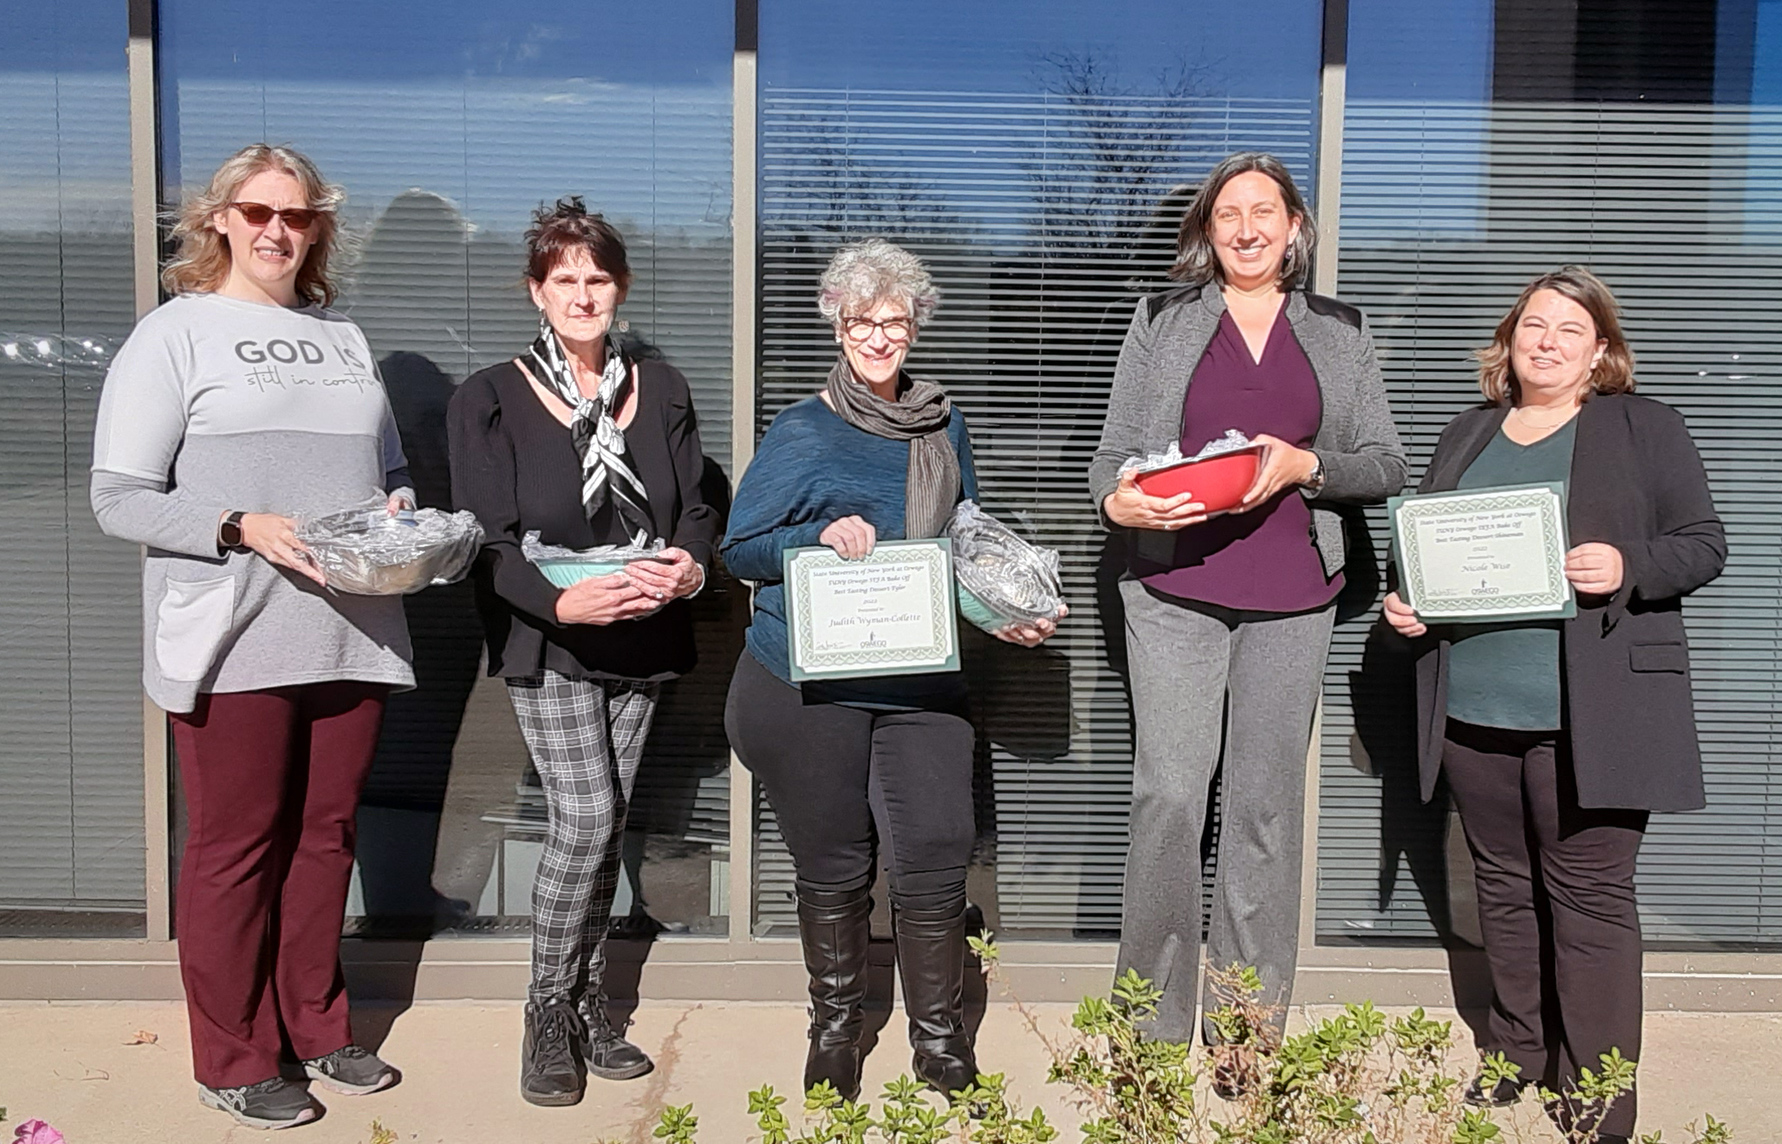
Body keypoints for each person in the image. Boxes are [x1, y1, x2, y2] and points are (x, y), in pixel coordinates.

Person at [90, 143, 410, 1130]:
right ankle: (233, 1056)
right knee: (236, 847)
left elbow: (386, 475)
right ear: (219, 218)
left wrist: (401, 512)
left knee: (326, 840)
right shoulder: (174, 334)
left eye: (300, 215)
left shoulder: (345, 339)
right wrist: (238, 527)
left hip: (353, 631)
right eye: (261, 212)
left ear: (319, 228)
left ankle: (317, 1028)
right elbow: (119, 499)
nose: (280, 231)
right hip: (235, 638)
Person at [1383, 267, 1724, 1143]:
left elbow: (1703, 545)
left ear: (1601, 351)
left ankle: (1600, 1093)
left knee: (1593, 902)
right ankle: (1517, 1054)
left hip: (1596, 713)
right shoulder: (1468, 432)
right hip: (1476, 707)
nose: (1547, 341)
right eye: (1534, 325)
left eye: (1571, 330)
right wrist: (1405, 599)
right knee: (1502, 888)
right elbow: (1424, 546)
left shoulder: (1645, 427)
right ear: (1509, 341)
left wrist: (1628, 567)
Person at [722, 239, 1062, 1103]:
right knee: (834, 862)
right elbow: (740, 549)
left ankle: (939, 1039)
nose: (879, 337)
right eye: (862, 321)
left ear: (916, 327)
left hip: (919, 676)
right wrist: (816, 535)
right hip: (812, 678)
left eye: (895, 321)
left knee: (936, 858)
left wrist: (1005, 611)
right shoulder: (803, 429)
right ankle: (836, 1028)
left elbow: (966, 540)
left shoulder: (944, 422)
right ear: (837, 324)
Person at [1089, 152, 1407, 1067]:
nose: (1245, 227)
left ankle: (1244, 1031)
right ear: (1207, 232)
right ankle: (1148, 1025)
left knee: (1264, 810)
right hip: (1174, 590)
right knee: (1170, 798)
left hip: (1294, 596)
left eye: (1263, 209)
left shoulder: (1342, 332)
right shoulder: (1161, 321)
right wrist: (1120, 502)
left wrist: (1308, 465)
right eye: (1227, 213)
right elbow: (1109, 460)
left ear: (1295, 227)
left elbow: (1384, 464)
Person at [447, 196, 720, 1108]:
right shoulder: (487, 397)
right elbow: (488, 539)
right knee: (587, 819)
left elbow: (697, 499)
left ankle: (593, 1006)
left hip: (644, 628)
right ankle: (546, 1013)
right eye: (564, 279)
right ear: (536, 292)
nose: (582, 293)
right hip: (553, 634)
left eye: (596, 278)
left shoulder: (665, 384)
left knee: (605, 830)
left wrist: (689, 566)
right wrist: (564, 597)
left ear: (621, 288)